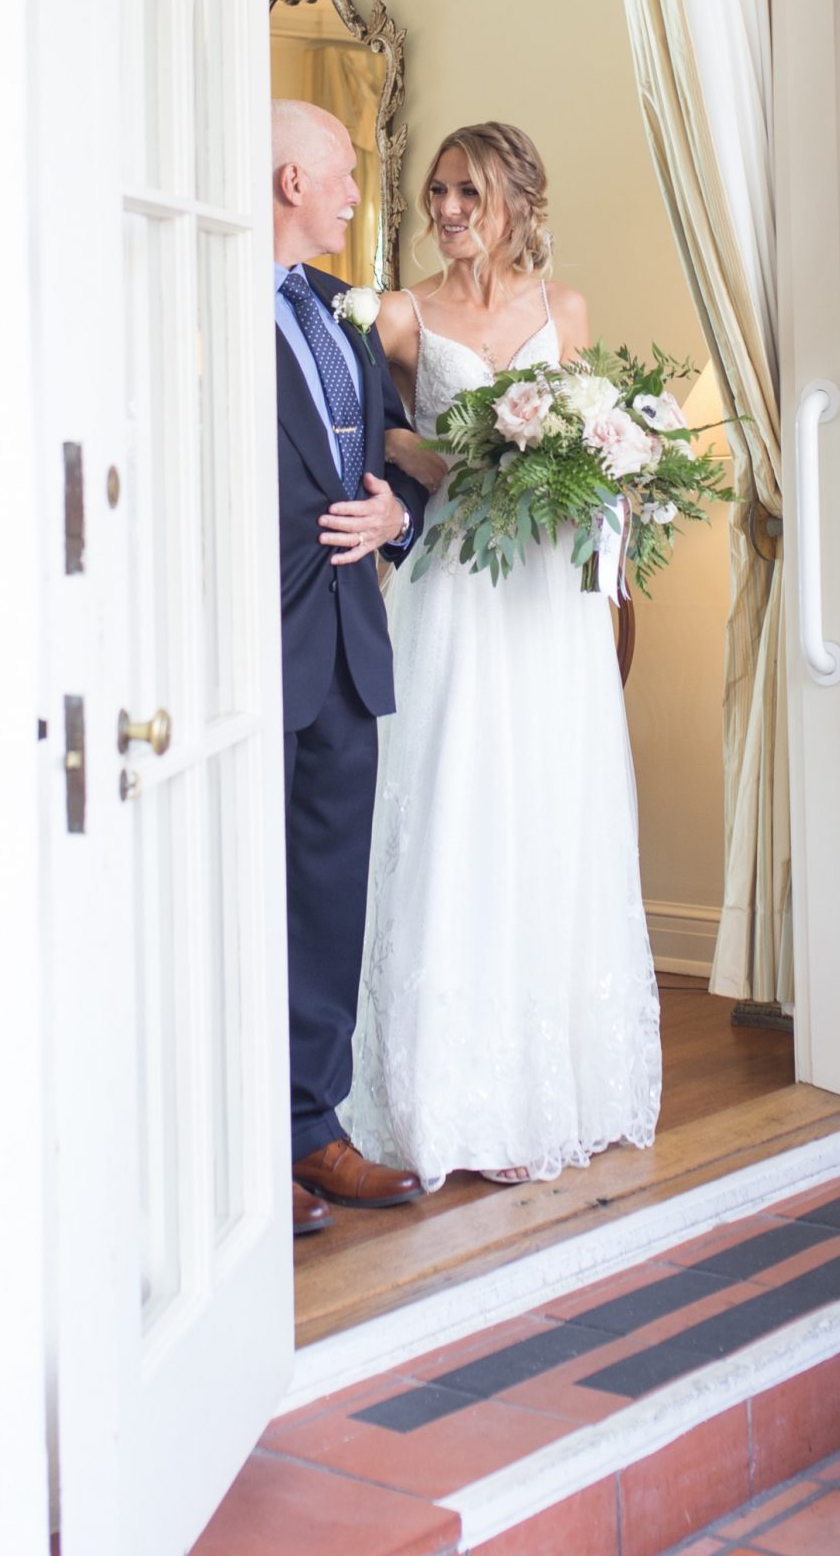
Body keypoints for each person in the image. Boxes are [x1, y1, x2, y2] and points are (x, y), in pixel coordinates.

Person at [341, 121, 662, 1188]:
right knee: (450, 806)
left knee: (546, 807)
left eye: (467, 193)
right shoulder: (398, 315)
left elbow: (590, 437)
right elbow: (368, 437)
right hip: (456, 593)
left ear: (516, 201)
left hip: (544, 595)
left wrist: (594, 475)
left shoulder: (562, 310)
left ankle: (553, 1083)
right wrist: (420, 453)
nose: (445, 210)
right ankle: (438, 1090)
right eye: (437, 192)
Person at [272, 99, 429, 1235]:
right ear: (290, 179)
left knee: (327, 892)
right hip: (242, 641)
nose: (350, 199)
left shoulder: (341, 308)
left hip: (346, 645)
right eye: (339, 179)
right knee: (235, 903)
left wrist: (396, 517)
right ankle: (234, 1157)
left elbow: (390, 456)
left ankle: (313, 1129)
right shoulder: (188, 291)